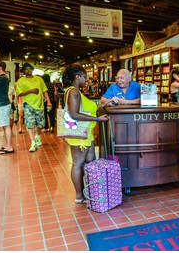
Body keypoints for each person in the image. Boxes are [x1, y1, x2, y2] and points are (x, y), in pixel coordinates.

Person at [62, 65, 109, 204]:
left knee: (90, 162)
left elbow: (83, 108)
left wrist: (100, 106)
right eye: (84, 77)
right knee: (78, 164)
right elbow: (74, 114)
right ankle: (79, 196)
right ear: (77, 77)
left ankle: (90, 191)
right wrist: (97, 119)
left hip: (85, 133)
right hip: (79, 135)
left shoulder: (76, 92)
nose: (86, 80)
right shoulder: (74, 92)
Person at [16, 63, 52, 152]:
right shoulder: (21, 81)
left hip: (39, 104)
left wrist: (49, 101)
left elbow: (44, 91)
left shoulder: (39, 79)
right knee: (30, 123)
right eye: (26, 69)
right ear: (23, 71)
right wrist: (30, 91)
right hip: (28, 104)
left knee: (41, 124)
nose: (29, 70)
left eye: (30, 68)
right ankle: (32, 142)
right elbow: (19, 93)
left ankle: (38, 136)